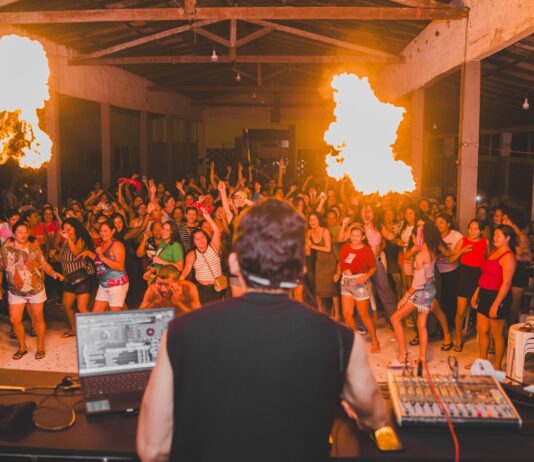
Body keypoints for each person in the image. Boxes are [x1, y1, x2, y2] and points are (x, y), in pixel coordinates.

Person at [137, 199, 387, 461]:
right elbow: (376, 419)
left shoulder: (180, 333)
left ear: (234, 264)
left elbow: (152, 448)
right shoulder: (341, 338)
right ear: (301, 269)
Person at [0, 221, 64, 360]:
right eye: (20, 232)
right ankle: (22, 347)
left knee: (37, 318)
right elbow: (1, 268)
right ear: (13, 234)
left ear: (29, 233)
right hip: (15, 291)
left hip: (36, 289)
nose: (23, 234)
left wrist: (53, 273)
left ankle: (40, 347)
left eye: (26, 231)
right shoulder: (5, 249)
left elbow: (44, 264)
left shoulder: (34, 248)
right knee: (15, 319)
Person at [390, 221, 444, 366]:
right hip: (429, 290)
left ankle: (403, 355)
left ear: (421, 237)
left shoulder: (421, 256)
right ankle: (422, 359)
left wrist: (405, 297)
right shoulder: (432, 252)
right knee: (421, 324)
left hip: (421, 292)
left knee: (395, 318)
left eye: (414, 236)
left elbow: (418, 283)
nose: (413, 239)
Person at [471, 225, 517, 370]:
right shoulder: (493, 251)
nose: (494, 238)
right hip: (484, 293)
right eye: (494, 235)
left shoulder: (509, 257)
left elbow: (506, 283)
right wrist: (477, 292)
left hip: (498, 296)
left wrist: (496, 304)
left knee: (496, 334)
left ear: (507, 238)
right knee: (481, 330)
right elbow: (485, 274)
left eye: (499, 235)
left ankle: (497, 366)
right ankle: (482, 363)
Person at [335, 224, 380, 352]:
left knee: (364, 315)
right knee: (347, 314)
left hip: (360, 282)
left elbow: (373, 268)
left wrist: (366, 277)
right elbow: (340, 263)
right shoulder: (346, 247)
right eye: (353, 235)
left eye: (357, 236)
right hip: (346, 282)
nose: (354, 238)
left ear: (363, 237)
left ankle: (375, 341)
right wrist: (338, 273)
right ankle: (356, 341)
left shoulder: (366, 250)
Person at [55, 218, 97, 337]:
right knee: (66, 305)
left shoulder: (80, 239)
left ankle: (96, 331)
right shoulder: (64, 242)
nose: (66, 231)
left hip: (82, 278)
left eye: (69, 229)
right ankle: (74, 330)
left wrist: (68, 239)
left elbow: (76, 253)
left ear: (75, 228)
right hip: (69, 278)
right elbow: (64, 260)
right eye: (64, 229)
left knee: (82, 307)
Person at [451, 219, 488, 351]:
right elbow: (451, 259)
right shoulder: (462, 241)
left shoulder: (485, 242)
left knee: (483, 311)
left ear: (481, 231)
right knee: (460, 312)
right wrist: (461, 251)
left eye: (476, 229)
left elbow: (488, 260)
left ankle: (486, 340)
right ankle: (459, 339)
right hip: (464, 277)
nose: (472, 231)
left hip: (479, 277)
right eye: (470, 228)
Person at [79, 219, 129, 312]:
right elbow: (100, 260)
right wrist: (89, 253)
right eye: (101, 231)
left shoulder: (117, 245)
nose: (102, 234)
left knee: (114, 313)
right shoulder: (102, 244)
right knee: (96, 313)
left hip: (117, 284)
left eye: (105, 231)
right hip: (104, 284)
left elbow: (120, 266)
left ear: (113, 231)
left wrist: (102, 256)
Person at [179, 210, 223, 304]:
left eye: (203, 237)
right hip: (202, 290)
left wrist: (208, 218)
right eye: (197, 239)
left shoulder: (214, 247)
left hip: (218, 286)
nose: (201, 240)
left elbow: (217, 231)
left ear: (206, 237)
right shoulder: (192, 254)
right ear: (193, 242)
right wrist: (180, 280)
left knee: (219, 311)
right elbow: (187, 268)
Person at [305, 212, 339, 318]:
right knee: (318, 289)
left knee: (332, 290)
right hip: (319, 262)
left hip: (330, 262)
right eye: (310, 220)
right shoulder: (309, 232)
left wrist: (312, 246)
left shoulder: (325, 231)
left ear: (319, 220)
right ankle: (321, 311)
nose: (312, 222)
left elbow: (328, 249)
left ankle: (337, 314)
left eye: (314, 219)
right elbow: (307, 248)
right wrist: (306, 245)